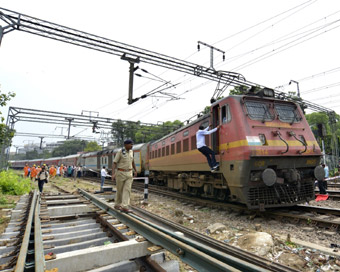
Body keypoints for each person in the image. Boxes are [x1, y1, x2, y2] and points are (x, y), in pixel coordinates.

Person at [111, 139, 137, 213]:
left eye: (132, 144)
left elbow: (133, 161)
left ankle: (125, 206)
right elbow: (114, 163)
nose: (132, 146)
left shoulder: (132, 152)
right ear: (125, 145)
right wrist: (113, 173)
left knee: (127, 190)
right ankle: (117, 204)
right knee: (120, 190)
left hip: (129, 173)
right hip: (120, 173)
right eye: (130, 144)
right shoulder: (120, 152)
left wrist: (135, 170)